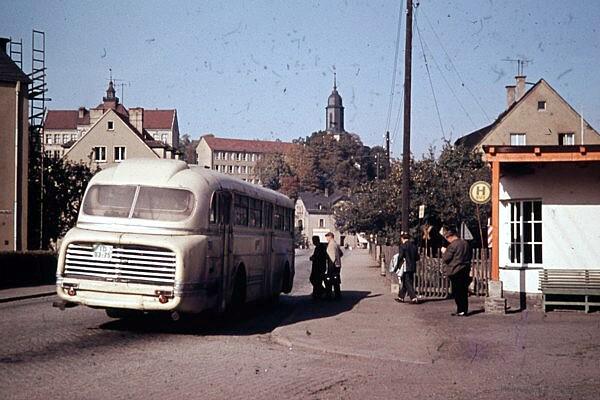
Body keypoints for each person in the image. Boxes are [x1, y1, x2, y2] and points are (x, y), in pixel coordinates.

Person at [442, 228, 472, 316]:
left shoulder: (452, 246)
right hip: (465, 268)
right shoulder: (465, 243)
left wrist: (444, 252)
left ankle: (460, 310)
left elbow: (446, 258)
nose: (447, 240)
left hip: (455, 269)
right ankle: (464, 310)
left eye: (447, 238)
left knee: (457, 291)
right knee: (463, 290)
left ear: (450, 237)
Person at [393, 232, 420, 304]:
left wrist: (397, 265)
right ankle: (401, 297)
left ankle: (414, 298)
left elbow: (400, 256)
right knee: (406, 282)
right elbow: (417, 257)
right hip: (413, 266)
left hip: (405, 266)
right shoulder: (414, 246)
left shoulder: (403, 246)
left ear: (402, 238)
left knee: (407, 282)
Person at [324, 232, 343, 300]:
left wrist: (331, 266)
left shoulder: (331, 245)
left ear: (330, 236)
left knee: (329, 281)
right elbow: (341, 254)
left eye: (327, 237)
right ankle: (337, 295)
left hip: (332, 265)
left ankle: (329, 296)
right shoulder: (336, 244)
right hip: (338, 265)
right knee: (336, 281)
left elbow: (332, 257)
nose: (326, 238)